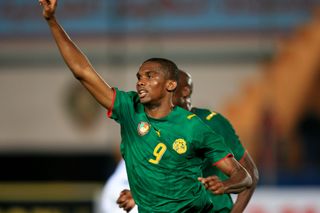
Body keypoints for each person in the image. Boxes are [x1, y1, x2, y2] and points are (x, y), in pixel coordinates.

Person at [38, 1, 252, 212]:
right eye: (139, 76)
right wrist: (52, 21)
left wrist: (224, 185)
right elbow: (82, 71)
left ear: (171, 84)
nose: (141, 81)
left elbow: (244, 175)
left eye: (150, 76)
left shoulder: (195, 127)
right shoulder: (130, 109)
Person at [115, 70, 259, 213]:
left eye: (171, 86)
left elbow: (250, 174)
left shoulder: (213, 123)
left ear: (185, 91)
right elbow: (169, 178)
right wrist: (138, 195)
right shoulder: (160, 128)